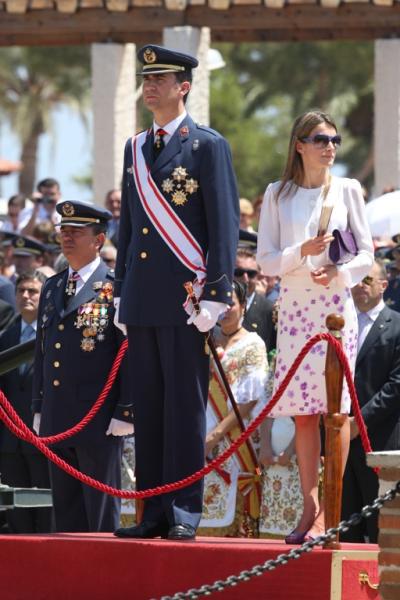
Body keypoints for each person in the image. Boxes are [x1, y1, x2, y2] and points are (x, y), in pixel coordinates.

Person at [113, 44, 239, 541]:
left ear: (183, 86)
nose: (151, 86)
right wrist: (122, 290)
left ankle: (185, 511)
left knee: (184, 409)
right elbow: (131, 227)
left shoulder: (207, 145)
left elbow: (223, 225)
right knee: (149, 406)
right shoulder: (135, 148)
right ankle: (153, 511)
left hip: (188, 300)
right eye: (147, 79)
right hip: (143, 297)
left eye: (160, 78)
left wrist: (218, 293)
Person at [256, 110, 374, 543]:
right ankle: (309, 509)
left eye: (335, 139)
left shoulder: (347, 189)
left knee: (335, 414)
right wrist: (299, 252)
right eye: (321, 139)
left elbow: (366, 255)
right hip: (293, 311)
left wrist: (339, 274)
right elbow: (265, 260)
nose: (330, 147)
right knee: (304, 416)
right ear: (299, 144)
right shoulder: (277, 194)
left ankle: (330, 507)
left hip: (335, 311)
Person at [32, 200, 134, 533]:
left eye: (77, 231)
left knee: (100, 512)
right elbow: (42, 351)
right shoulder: (52, 286)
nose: (67, 237)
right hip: (58, 415)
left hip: (98, 418)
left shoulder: (115, 286)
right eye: (64, 230)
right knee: (66, 512)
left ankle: (105, 580)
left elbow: (128, 353)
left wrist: (125, 410)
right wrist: (38, 405)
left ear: (99, 240)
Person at [198, 280, 267, 537]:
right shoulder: (202, 340)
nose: (225, 309)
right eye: (220, 305)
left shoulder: (253, 344)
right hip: (200, 432)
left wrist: (215, 435)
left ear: (243, 306)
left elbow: (249, 400)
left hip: (235, 435)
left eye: (231, 304)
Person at [341, 260, 400, 543]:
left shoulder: (397, 326)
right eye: (355, 280)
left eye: (366, 280)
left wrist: (359, 423)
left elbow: (395, 387)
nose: (359, 286)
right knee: (344, 526)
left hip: (380, 441)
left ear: (383, 285)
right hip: (342, 439)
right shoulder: (341, 323)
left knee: (380, 530)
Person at [0, 271, 52, 533]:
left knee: (45, 506)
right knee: (15, 511)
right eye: (21, 290)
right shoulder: (6, 336)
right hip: (9, 438)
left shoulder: (52, 333)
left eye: (33, 291)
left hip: (40, 435)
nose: (26, 296)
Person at [235, 248, 276, 354]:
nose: (245, 278)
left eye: (251, 274)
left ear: (259, 276)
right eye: (239, 272)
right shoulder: (219, 305)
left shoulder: (269, 309)